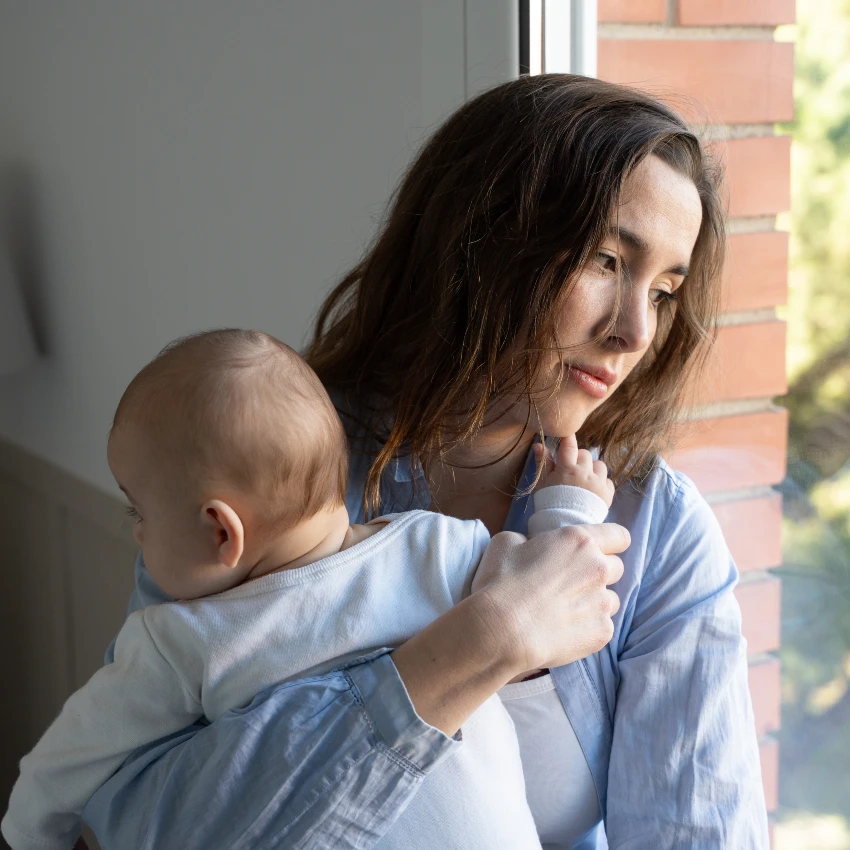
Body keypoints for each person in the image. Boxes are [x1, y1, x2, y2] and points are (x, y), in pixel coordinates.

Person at [80, 74, 769, 849]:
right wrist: (486, 641)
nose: (636, 332)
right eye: (606, 260)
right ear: (481, 237)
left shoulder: (656, 535)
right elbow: (125, 819)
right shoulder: (260, 457)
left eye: (666, 290)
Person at [3, 329, 615, 850]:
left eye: (138, 512)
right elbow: (545, 590)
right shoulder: (433, 548)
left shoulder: (181, 641)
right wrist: (569, 505)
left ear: (221, 530)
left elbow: (66, 764)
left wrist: (30, 835)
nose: (137, 533)